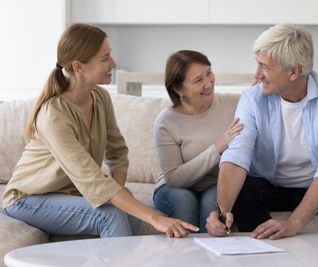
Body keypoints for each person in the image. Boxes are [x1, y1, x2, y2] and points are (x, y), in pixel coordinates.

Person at [2, 23, 198, 238]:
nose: (113, 63)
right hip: (28, 199)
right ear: (79, 67)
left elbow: (118, 152)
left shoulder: (100, 98)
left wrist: (118, 188)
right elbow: (90, 179)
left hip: (71, 195)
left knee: (129, 212)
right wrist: (155, 218)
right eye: (104, 58)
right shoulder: (53, 115)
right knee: (112, 213)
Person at [206, 24, 318, 239]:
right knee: (244, 186)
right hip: (272, 187)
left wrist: (293, 224)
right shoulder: (252, 98)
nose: (257, 75)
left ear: (294, 71)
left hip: (316, 185)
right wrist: (221, 211)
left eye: (264, 67)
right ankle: (264, 249)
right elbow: (237, 155)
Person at [153, 50, 243, 232]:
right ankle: (185, 259)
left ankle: (210, 259)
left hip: (214, 184)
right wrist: (217, 147)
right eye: (198, 80)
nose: (208, 83)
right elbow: (174, 178)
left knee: (213, 205)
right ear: (178, 89)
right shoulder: (166, 122)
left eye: (209, 73)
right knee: (184, 200)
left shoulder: (234, 104)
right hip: (174, 188)